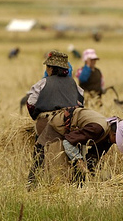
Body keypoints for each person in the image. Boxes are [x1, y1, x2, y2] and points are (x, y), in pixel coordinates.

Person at [27, 107, 123, 189]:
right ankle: (31, 188)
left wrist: (103, 179)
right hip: (58, 128)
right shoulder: (97, 129)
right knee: (59, 175)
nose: (116, 143)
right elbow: (68, 142)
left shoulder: (107, 138)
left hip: (71, 134)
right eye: (117, 139)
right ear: (114, 133)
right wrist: (79, 161)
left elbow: (93, 158)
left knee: (78, 175)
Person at [25, 50, 85, 187]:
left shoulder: (43, 83)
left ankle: (32, 183)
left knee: (40, 150)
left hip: (48, 123)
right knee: (73, 152)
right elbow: (81, 103)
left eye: (47, 67)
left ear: (51, 68)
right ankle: (78, 182)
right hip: (70, 123)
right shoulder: (74, 84)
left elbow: (31, 103)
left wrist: (36, 116)